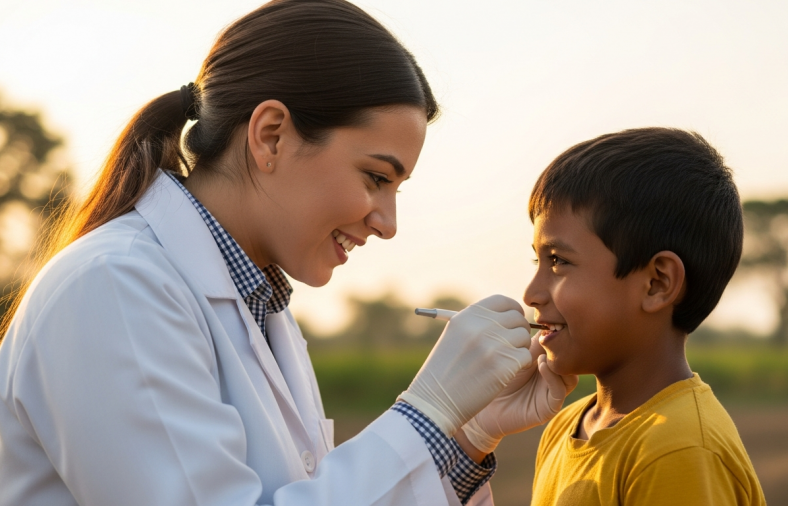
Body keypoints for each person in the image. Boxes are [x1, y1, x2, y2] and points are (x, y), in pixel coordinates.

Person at [0, 1, 573, 505]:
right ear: (270, 134)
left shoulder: (263, 310)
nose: (388, 224)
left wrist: (465, 436)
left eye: (396, 189)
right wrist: (428, 413)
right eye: (376, 178)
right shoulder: (114, 288)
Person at [524, 127, 766, 505]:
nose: (531, 294)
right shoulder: (564, 428)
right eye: (537, 261)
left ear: (657, 283)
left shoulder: (679, 449)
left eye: (558, 262)